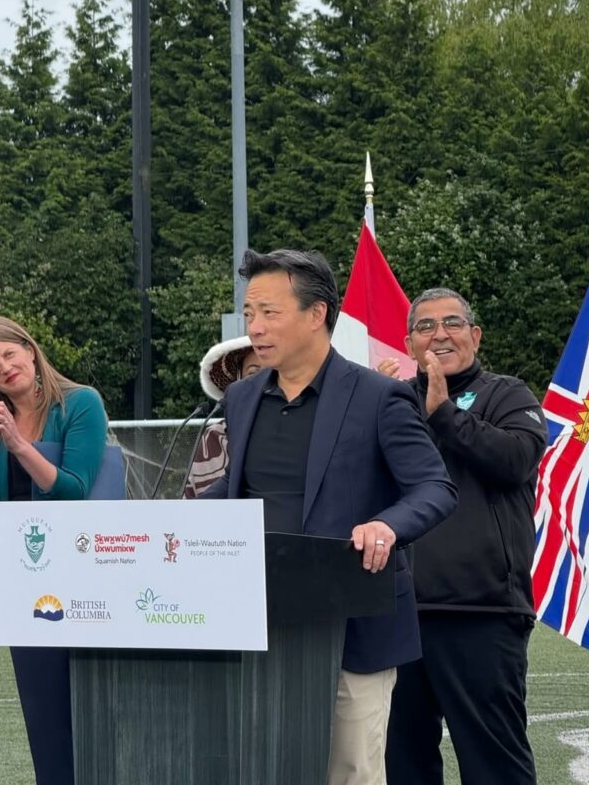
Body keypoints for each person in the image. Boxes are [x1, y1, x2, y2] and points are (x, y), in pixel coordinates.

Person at [201, 249, 457, 785]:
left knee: (350, 772)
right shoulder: (243, 397)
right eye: (249, 314)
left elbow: (434, 486)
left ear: (316, 315)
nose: (255, 327)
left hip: (354, 624)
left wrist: (387, 524)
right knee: (264, 765)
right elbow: (240, 489)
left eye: (269, 312)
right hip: (257, 619)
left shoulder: (379, 395)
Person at [380, 288, 548, 785]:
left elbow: (516, 460)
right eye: (425, 326)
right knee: (400, 762)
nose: (440, 335)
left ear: (474, 335)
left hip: (481, 610)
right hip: (395, 612)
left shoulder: (508, 394)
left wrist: (444, 413)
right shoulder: (389, 401)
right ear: (409, 343)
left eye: (452, 323)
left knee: (494, 764)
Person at [0, 315, 108, 785]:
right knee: (46, 726)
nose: (4, 369)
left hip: (91, 579)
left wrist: (19, 444)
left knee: (97, 721)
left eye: (9, 354)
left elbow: (73, 492)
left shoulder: (81, 403)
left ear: (29, 348)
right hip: (28, 587)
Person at [183, 335, 260, 497]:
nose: (263, 381)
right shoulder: (213, 437)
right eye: (253, 373)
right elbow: (191, 507)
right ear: (238, 381)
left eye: (273, 374)